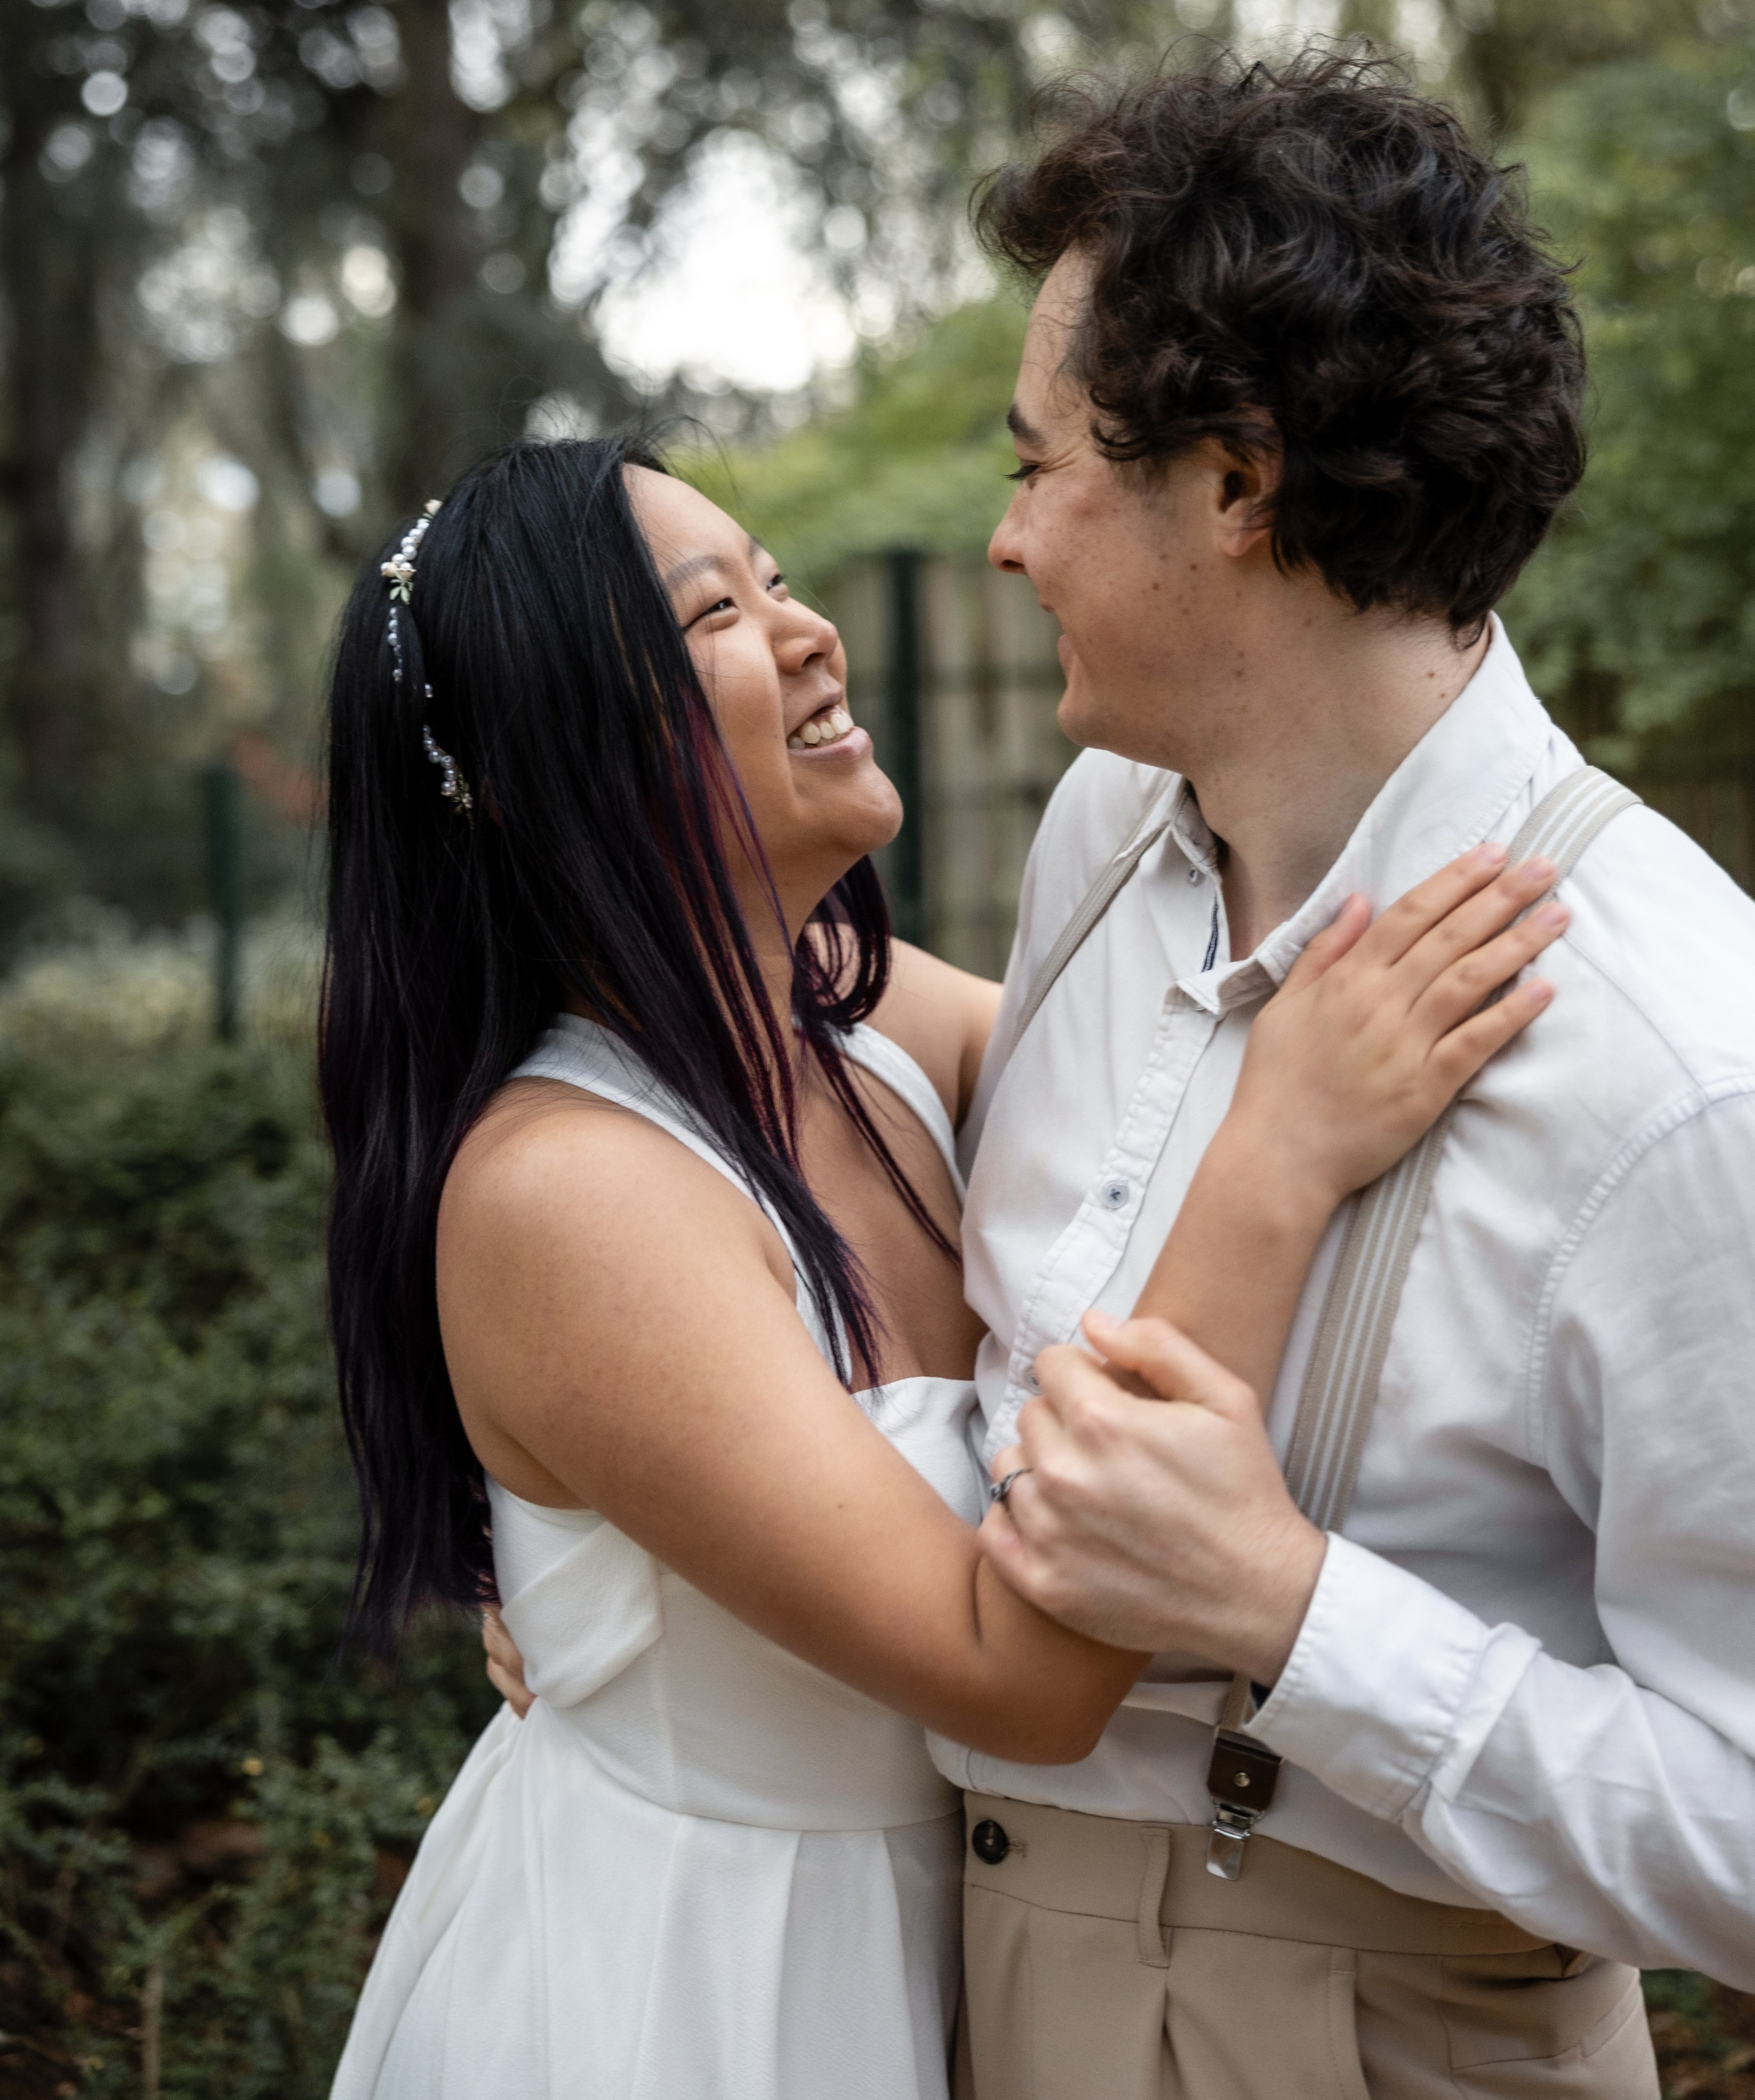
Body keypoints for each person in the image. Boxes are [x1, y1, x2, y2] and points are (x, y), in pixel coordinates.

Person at [319, 431, 1561, 2100]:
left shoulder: (874, 1025)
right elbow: (1016, 1675)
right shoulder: (569, 1199)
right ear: (567, 756)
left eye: (772, 578)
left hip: (1001, 1943)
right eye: (713, 617)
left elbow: (1161, 1112)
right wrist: (1281, 1155)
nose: (807, 628)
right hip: (713, 1993)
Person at [925, 47, 1755, 2097]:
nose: (1008, 540)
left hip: (1394, 2038)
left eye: (1040, 467)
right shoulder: (1095, 844)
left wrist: (1298, 1620)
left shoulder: (1676, 1072)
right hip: (974, 1966)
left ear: (1233, 480)